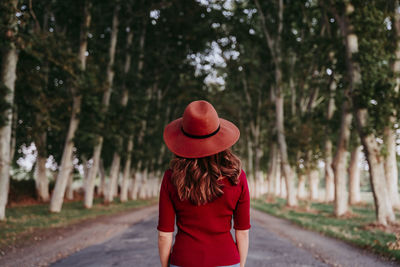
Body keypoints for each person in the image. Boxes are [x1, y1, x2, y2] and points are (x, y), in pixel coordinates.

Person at [157, 100, 251, 267]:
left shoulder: (171, 178)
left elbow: (165, 235)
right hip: (226, 260)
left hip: (184, 260)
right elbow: (242, 232)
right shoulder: (237, 177)